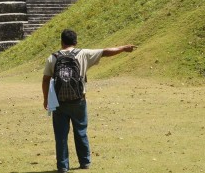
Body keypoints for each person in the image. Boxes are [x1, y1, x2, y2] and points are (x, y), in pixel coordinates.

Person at [42, 29, 135, 173]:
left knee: (60, 135)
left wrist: (46, 98)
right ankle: (84, 162)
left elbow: (46, 79)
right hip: (79, 100)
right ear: (76, 42)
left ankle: (62, 166)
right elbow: (105, 52)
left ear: (61, 42)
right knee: (81, 131)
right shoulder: (83, 54)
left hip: (59, 102)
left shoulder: (53, 57)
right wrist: (123, 48)